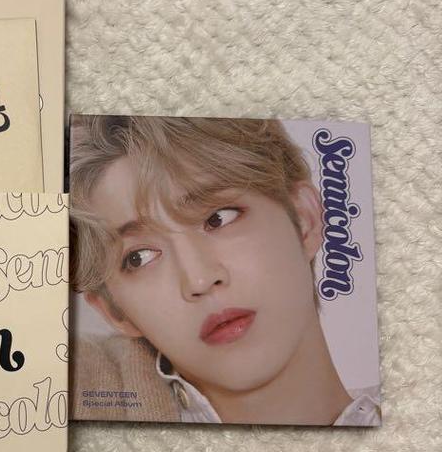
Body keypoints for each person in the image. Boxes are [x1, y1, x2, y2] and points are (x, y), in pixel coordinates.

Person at [69, 115, 380, 426]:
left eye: (218, 218)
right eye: (139, 257)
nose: (199, 280)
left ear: (304, 220)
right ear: (114, 311)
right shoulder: (83, 386)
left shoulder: (406, 417)